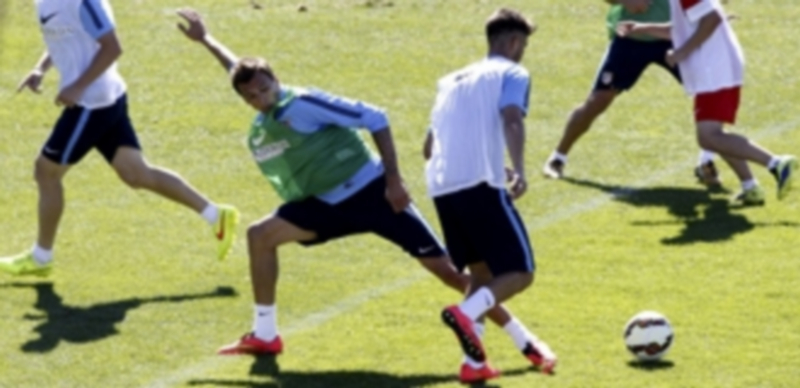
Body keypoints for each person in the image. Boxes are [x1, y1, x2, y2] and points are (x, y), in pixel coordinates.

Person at [175, 9, 556, 382]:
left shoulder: (303, 103)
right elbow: (237, 70)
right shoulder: (264, 102)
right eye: (251, 96)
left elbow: (375, 117)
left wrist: (393, 180)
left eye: (264, 88)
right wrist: (206, 39)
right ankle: (265, 334)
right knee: (260, 235)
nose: (260, 98)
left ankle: (525, 341)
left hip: (375, 195)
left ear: (276, 80)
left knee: (452, 274)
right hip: (325, 204)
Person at [0, 0, 239, 277]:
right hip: (104, 98)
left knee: (46, 171)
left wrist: (77, 87)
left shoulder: (85, 2)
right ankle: (216, 215)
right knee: (135, 174)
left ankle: (41, 258)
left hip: (91, 103)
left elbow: (112, 47)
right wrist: (40, 68)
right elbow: (65, 37)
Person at [422, 8, 555, 382]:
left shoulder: (450, 81)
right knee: (520, 273)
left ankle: (474, 364)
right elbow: (512, 118)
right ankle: (464, 314)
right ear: (513, 42)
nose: (523, 52)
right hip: (480, 184)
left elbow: (429, 146)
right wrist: (520, 170)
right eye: (524, 45)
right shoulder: (512, 73)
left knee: (481, 274)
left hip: (443, 188)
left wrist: (493, 162)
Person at [618, 0, 797, 205]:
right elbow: (682, 30)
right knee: (714, 136)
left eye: (624, 2)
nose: (628, 9)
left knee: (709, 136)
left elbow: (712, 19)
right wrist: (641, 28)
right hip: (713, 70)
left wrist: (682, 52)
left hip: (715, 70)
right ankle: (750, 187)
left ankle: (776, 163)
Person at [542, 0, 721, 188]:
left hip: (676, 35)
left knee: (710, 94)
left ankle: (706, 161)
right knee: (598, 100)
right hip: (632, 37)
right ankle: (558, 157)